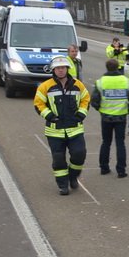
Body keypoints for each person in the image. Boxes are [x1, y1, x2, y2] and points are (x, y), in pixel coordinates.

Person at [34, 56, 90, 195]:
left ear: (67, 69)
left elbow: (86, 99)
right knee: (58, 160)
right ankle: (63, 185)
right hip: (54, 131)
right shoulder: (45, 86)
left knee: (79, 154)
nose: (60, 70)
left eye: (63, 68)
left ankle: (73, 176)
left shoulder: (78, 84)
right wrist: (49, 116)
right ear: (53, 70)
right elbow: (38, 104)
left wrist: (81, 114)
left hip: (75, 129)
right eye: (58, 68)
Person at [91, 57, 129, 178]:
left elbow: (94, 101)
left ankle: (104, 167)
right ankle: (121, 170)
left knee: (106, 142)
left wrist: (101, 110)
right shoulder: (126, 81)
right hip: (121, 116)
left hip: (106, 117)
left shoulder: (100, 82)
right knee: (120, 143)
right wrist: (127, 110)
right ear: (118, 67)